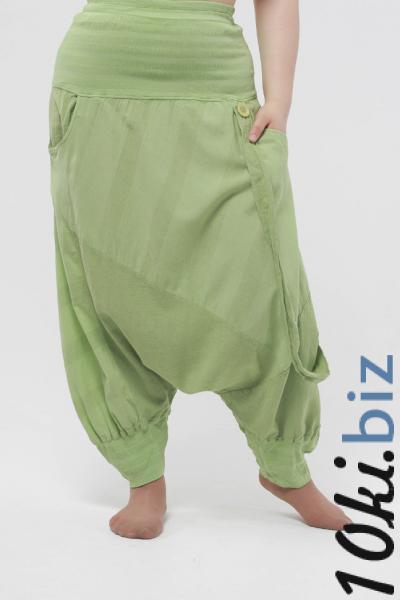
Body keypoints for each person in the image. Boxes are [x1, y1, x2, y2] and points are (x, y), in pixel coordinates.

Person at [48, 0, 351, 539]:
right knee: (108, 285)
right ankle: (144, 477)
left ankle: (284, 464)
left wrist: (280, 98)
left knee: (264, 290)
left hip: (215, 88)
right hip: (98, 84)